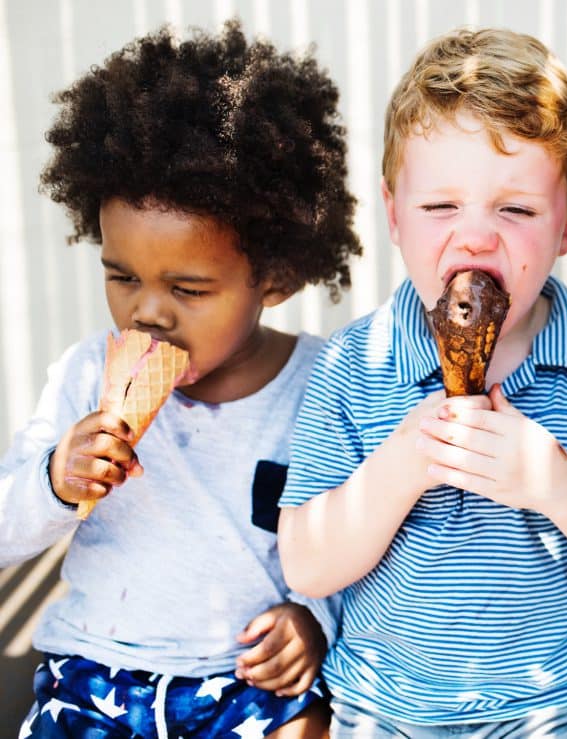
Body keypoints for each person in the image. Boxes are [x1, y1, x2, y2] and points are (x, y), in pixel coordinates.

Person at [277, 27, 567, 736]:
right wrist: (405, 462)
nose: (475, 236)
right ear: (392, 214)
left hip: (558, 716)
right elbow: (305, 563)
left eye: (517, 209)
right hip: (381, 716)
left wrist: (561, 484)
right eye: (440, 207)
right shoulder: (353, 364)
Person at [0, 20, 361, 738]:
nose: (147, 310)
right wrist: (54, 477)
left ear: (277, 277)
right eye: (121, 275)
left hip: (247, 681)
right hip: (94, 668)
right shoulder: (82, 374)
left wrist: (314, 620)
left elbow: (361, 540)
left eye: (189, 288)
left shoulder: (326, 386)